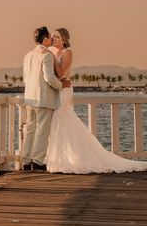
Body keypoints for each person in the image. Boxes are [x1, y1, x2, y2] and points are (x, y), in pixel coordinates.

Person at [45, 28, 147, 173]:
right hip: (57, 90)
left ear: (64, 39)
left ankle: (75, 158)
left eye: (57, 36)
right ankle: (61, 157)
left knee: (63, 118)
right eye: (53, 36)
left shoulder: (68, 53)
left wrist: (50, 55)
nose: (53, 38)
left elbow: (61, 73)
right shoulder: (53, 53)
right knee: (58, 122)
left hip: (64, 90)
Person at [21, 26, 67, 171]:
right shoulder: (46, 55)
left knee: (30, 129)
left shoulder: (27, 55)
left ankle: (26, 161)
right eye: (50, 37)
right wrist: (61, 85)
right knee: (42, 130)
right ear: (45, 39)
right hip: (43, 98)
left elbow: (25, 78)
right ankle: (38, 161)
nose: (51, 40)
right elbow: (49, 78)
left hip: (29, 98)